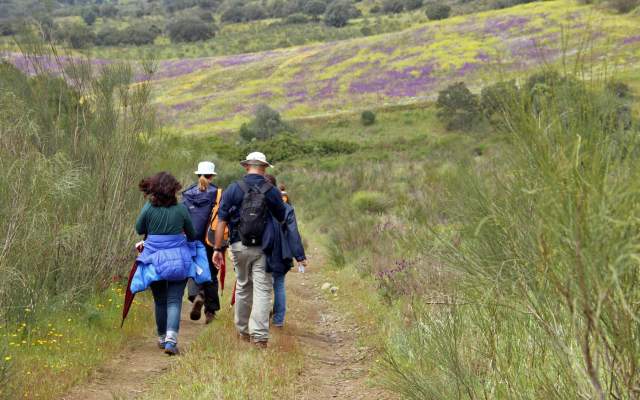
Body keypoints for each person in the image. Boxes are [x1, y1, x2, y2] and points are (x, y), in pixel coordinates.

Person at [212, 152, 287, 348]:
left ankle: (243, 331)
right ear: (264, 168)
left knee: (243, 285)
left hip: (238, 245)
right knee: (263, 289)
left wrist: (217, 249)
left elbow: (221, 221)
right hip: (263, 247)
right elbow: (281, 217)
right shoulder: (271, 191)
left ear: (246, 167)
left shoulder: (233, 189)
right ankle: (260, 336)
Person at [133, 172, 211, 356]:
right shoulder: (181, 209)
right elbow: (192, 235)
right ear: (173, 189)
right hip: (179, 260)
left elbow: (139, 229)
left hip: (154, 259)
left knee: (160, 301)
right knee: (174, 300)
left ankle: (161, 338)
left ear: (154, 189)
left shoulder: (149, 208)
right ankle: (171, 341)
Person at [263, 174, 307, 328]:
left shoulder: (257, 204)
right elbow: (293, 233)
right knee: (279, 285)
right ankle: (278, 321)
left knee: (262, 284)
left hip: (261, 249)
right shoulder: (287, 208)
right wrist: (300, 256)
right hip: (281, 252)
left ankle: (261, 317)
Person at [182, 161, 221, 324]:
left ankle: (196, 295)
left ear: (198, 174)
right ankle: (210, 311)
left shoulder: (187, 193)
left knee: (194, 269)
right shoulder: (217, 193)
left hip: (192, 238)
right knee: (211, 273)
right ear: (212, 175)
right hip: (211, 239)